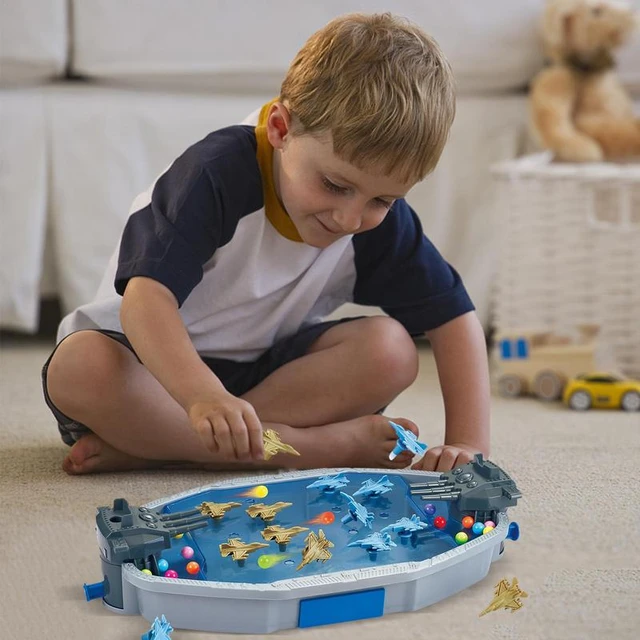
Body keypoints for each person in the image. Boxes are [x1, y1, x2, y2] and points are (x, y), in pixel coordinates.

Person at [41, 13, 490, 476]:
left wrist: (469, 443)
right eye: (335, 184)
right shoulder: (216, 173)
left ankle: (170, 448)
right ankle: (305, 449)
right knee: (79, 367)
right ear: (280, 129)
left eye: (382, 199)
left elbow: (454, 319)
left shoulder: (373, 222)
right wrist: (202, 396)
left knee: (392, 350)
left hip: (262, 378)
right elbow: (144, 303)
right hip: (149, 369)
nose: (350, 219)